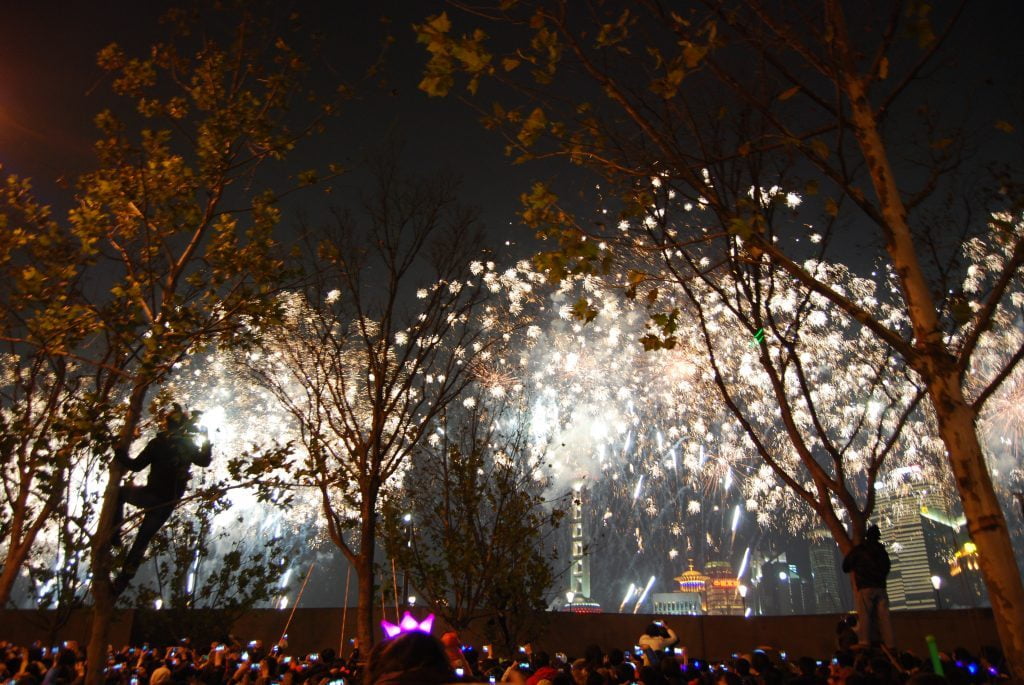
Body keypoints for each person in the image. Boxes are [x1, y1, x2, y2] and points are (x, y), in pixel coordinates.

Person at [112, 403, 213, 595]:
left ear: (166, 425)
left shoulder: (158, 444)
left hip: (151, 496)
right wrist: (206, 439)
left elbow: (135, 466)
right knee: (141, 542)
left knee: (121, 494)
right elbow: (205, 461)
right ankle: (122, 582)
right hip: (166, 503)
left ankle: (115, 536)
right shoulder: (187, 446)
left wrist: (118, 451)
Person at [842, 524, 893, 649]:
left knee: (865, 615)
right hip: (881, 587)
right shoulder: (882, 551)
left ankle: (865, 641)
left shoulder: (860, 550)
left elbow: (845, 566)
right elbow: (887, 567)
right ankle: (891, 644)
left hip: (865, 587)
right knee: (885, 618)